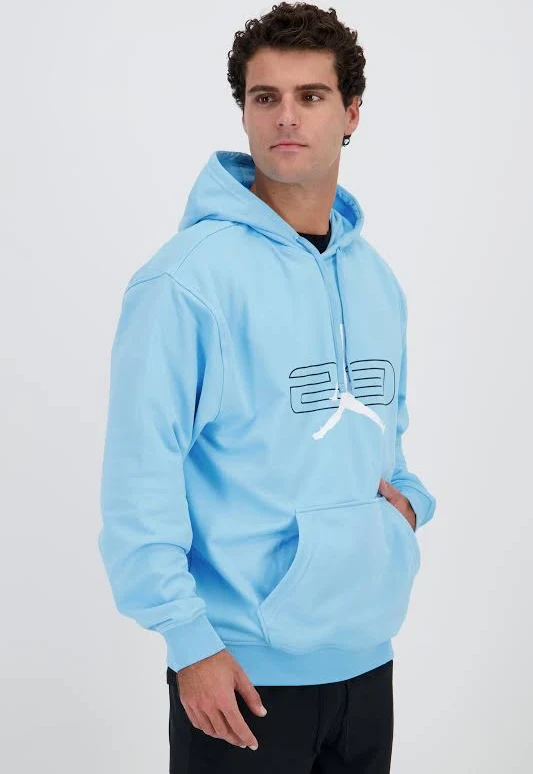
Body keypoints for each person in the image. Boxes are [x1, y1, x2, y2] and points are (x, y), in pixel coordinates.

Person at [98, 3, 437, 772]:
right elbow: (139, 476)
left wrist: (409, 504)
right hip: (239, 672)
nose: (286, 116)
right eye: (265, 97)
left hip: (366, 658)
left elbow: (384, 436)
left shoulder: (375, 278)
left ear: (350, 114)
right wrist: (189, 643)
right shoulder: (186, 281)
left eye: (310, 96)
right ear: (245, 113)